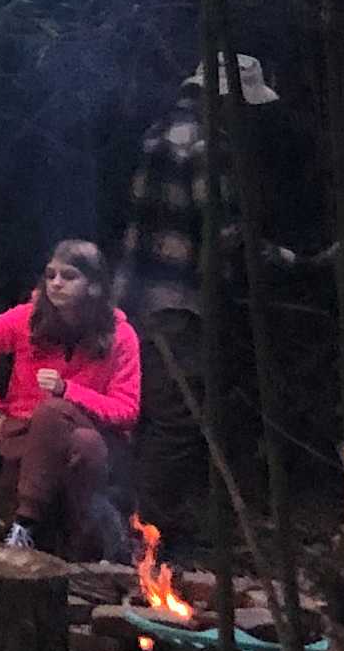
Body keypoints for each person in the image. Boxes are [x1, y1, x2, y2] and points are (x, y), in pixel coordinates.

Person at [114, 54, 280, 537]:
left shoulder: (160, 130)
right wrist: (290, 260)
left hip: (135, 297)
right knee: (178, 420)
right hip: (176, 304)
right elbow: (225, 235)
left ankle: (132, 524)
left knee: (145, 416)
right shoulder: (208, 145)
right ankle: (144, 535)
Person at [0, 238, 141, 559]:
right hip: (26, 438)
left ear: (94, 286)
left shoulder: (120, 335)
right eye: (50, 275)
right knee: (81, 442)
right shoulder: (26, 319)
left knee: (67, 424)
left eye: (68, 276)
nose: (56, 284)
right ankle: (72, 547)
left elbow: (126, 411)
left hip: (98, 437)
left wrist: (69, 391)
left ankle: (26, 523)